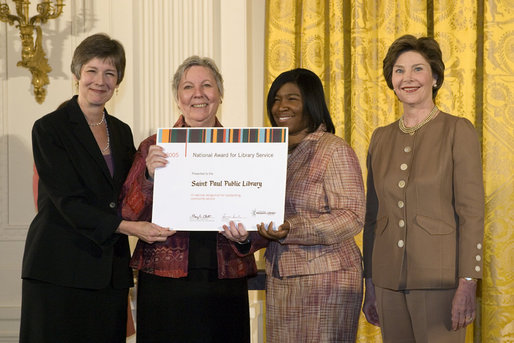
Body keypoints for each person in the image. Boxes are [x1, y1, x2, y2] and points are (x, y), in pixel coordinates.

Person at [20, 33, 172, 343]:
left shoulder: (120, 131)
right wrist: (132, 227)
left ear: (118, 81)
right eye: (92, 70)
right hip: (59, 268)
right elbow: (68, 201)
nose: (99, 80)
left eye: (110, 72)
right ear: (77, 74)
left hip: (109, 272)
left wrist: (152, 174)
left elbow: (127, 192)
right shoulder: (49, 129)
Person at [121, 55, 267, 343]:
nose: (198, 94)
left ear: (220, 94)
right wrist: (149, 176)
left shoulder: (246, 148)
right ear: (178, 97)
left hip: (225, 280)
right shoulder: (154, 146)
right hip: (165, 282)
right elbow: (127, 211)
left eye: (207, 85)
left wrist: (245, 239)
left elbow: (264, 220)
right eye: (188, 87)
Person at [362, 35, 485, 342]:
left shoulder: (458, 130)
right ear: (391, 80)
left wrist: (468, 281)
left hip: (442, 283)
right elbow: (372, 217)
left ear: (435, 77)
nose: (408, 78)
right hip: (388, 283)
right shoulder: (380, 138)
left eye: (418, 69)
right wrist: (371, 283)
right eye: (399, 71)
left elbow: (472, 213)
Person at [256, 68, 365, 342]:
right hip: (281, 279)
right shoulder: (268, 153)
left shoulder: (333, 149)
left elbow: (351, 216)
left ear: (311, 103)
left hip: (327, 281)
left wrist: (292, 228)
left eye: (292, 98)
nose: (281, 106)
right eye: (276, 99)